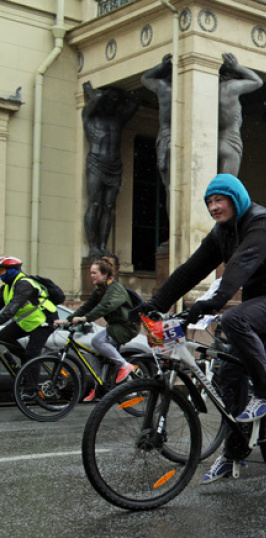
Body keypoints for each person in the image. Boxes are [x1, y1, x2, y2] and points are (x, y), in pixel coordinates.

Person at [130, 173, 266, 484]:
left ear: (236, 199)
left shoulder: (262, 223)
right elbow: (191, 270)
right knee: (229, 373)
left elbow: (241, 265)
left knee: (233, 319)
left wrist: (212, 303)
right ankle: (233, 453)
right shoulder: (222, 232)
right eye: (209, 202)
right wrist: (155, 303)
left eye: (220, 200)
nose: (214, 207)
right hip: (259, 302)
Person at [57, 258, 139, 401]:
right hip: (115, 326)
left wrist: (85, 319)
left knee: (97, 341)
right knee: (93, 352)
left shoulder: (115, 289)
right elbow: (87, 306)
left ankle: (125, 365)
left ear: (105, 274)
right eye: (91, 273)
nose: (91, 276)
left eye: (94, 273)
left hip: (127, 327)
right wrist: (68, 320)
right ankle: (100, 386)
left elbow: (105, 306)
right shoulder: (100, 291)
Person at [81, 81, 139, 259]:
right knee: (95, 204)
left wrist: (122, 94)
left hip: (114, 166)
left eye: (115, 101)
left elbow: (135, 103)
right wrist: (91, 91)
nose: (112, 103)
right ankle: (93, 247)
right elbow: (97, 97)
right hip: (96, 163)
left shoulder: (117, 120)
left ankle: (102, 247)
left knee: (107, 206)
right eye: (110, 99)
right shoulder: (90, 117)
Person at [0, 257, 58, 399]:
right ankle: (26, 361)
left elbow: (11, 309)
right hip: (29, 322)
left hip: (45, 321)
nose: (0, 274)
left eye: (1, 270)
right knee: (3, 335)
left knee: (33, 353)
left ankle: (31, 390)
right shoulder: (7, 287)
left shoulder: (24, 284)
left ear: (12, 270)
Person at [217, 53, 263, 176]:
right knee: (227, 183)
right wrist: (237, 67)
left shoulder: (214, 89)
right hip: (231, 141)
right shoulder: (230, 87)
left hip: (217, 139)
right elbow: (257, 81)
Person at [141, 54, 173, 191]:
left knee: (169, 185)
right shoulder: (188, 87)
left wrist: (161, 66)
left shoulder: (162, 87)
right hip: (178, 135)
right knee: (172, 185)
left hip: (166, 136)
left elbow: (145, 78)